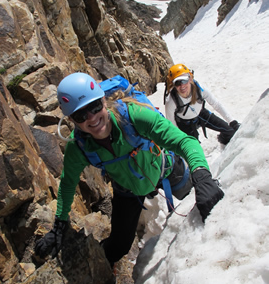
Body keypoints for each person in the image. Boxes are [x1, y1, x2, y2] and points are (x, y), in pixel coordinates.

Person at [35, 72, 224, 266]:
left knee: (204, 200)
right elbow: (68, 184)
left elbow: (185, 142)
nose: (92, 118)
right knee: (118, 246)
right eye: (81, 114)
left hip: (165, 170)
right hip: (128, 190)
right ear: (72, 119)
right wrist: (59, 225)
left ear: (103, 100)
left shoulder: (134, 116)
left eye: (94, 106)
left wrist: (201, 175)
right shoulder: (79, 148)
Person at [164, 64, 240, 144]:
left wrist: (232, 121)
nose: (182, 85)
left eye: (184, 81)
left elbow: (216, 104)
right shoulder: (171, 101)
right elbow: (171, 123)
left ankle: (224, 140)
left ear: (190, 79)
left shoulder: (199, 89)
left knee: (230, 132)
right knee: (194, 150)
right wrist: (181, 139)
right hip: (184, 125)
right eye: (177, 83)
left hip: (201, 114)